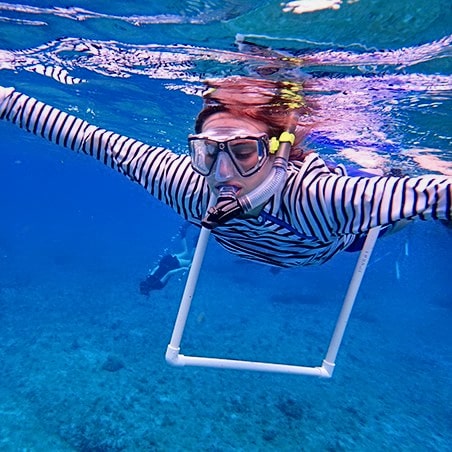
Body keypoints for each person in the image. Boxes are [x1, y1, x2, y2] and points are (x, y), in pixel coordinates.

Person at [0, 77, 450, 269]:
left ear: (274, 152)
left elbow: (437, 194)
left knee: (388, 219)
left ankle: (389, 168)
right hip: (253, 245)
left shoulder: (323, 199)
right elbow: (88, 138)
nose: (221, 172)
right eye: (206, 153)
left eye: (241, 151)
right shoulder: (186, 184)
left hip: (329, 241)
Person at [139, 222, 193, 295]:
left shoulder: (158, 286)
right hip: (165, 260)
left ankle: (197, 242)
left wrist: (183, 269)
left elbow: (169, 273)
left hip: (171, 264)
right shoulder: (148, 278)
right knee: (186, 253)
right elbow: (156, 268)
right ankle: (182, 231)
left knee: (191, 262)